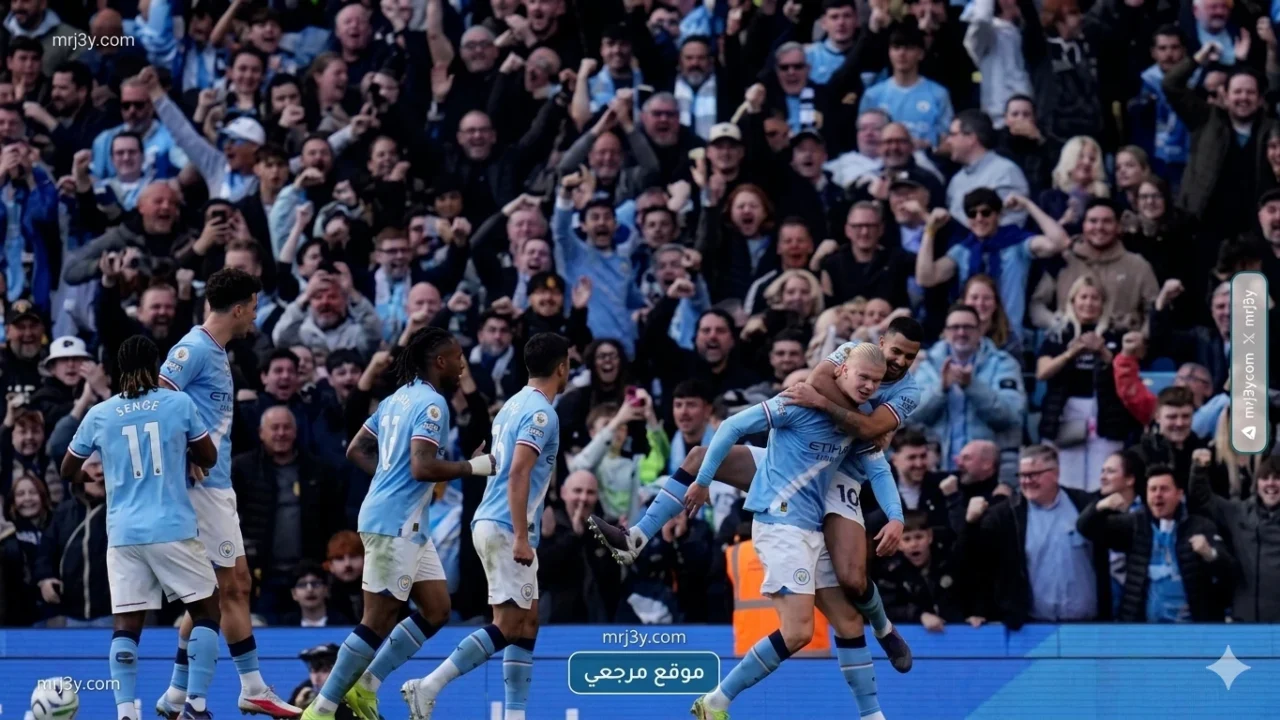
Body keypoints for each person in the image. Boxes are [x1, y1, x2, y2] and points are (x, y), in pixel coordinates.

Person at [592, 320, 924, 670]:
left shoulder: (908, 392)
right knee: (699, 457)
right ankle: (637, 537)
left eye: (910, 357)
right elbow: (818, 383)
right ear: (881, 343)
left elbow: (867, 428)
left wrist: (833, 409)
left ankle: (884, 629)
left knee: (853, 581)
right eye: (896, 351)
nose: (900, 361)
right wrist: (853, 419)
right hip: (795, 462)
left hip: (840, 479)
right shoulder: (852, 352)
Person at [687, 343, 893, 720]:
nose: (868, 386)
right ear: (842, 370)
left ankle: (872, 715)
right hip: (781, 525)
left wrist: (896, 515)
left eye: (876, 382)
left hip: (814, 528)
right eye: (863, 377)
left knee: (849, 621)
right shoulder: (798, 402)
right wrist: (703, 481)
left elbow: (879, 467)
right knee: (798, 632)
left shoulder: (857, 422)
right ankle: (716, 700)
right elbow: (732, 426)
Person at [301, 327, 496, 720]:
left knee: (437, 609)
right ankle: (321, 709)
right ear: (439, 361)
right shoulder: (433, 404)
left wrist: (390, 479)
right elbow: (423, 467)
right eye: (457, 357)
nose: (462, 365)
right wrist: (475, 466)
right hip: (395, 523)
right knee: (377, 619)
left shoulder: (395, 400)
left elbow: (356, 449)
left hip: (405, 521)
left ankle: (365, 687)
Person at [154, 269, 301, 719]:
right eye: (254, 307)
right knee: (234, 586)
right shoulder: (194, 348)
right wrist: (182, 456)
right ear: (238, 309)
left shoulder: (215, 352)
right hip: (201, 490)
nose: (256, 315)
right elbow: (156, 401)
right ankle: (252, 687)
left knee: (216, 593)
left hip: (215, 487)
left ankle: (175, 695)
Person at [404, 333, 571, 719]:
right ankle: (429, 685)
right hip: (506, 526)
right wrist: (521, 537)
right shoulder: (542, 413)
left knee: (527, 622)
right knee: (509, 624)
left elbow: (503, 464)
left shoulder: (513, 405)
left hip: (495, 521)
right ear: (562, 367)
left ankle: (514, 715)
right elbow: (518, 473)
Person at [61, 335, 222, 720]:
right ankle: (196, 704)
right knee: (207, 611)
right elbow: (209, 457)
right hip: (172, 526)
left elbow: (67, 468)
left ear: (119, 369)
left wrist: (91, 477)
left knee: (127, 626)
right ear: (155, 365)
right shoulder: (178, 403)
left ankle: (125, 712)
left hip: (123, 534)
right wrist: (183, 452)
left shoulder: (100, 413)